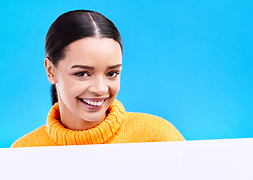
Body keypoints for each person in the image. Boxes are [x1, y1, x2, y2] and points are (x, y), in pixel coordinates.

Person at [11, 10, 184, 147]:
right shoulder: (23, 152)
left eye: (112, 73)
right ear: (51, 71)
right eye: (82, 74)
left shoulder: (159, 138)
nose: (101, 88)